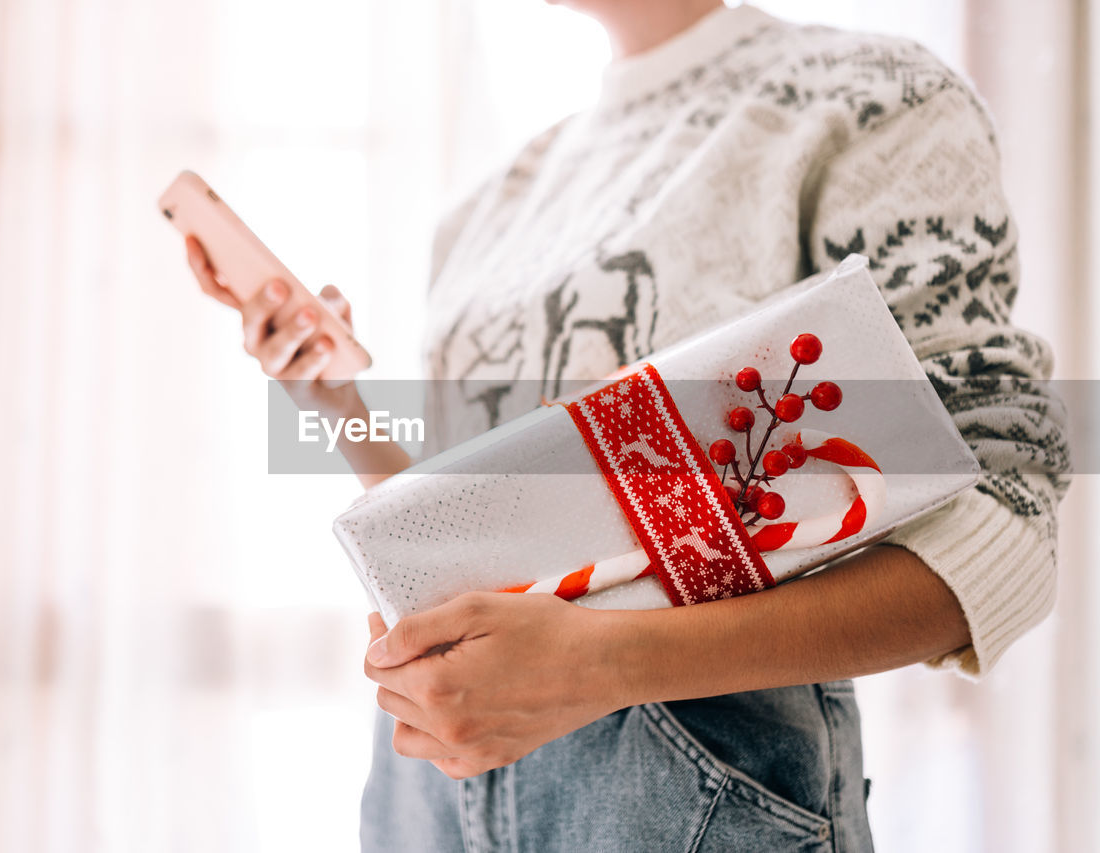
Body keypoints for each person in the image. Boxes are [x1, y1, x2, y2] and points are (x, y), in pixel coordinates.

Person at [186, 1, 1070, 849]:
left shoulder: (870, 97)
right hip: (431, 789)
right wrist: (336, 402)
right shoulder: (493, 204)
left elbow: (1002, 531)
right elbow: (474, 548)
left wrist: (603, 664)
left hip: (691, 787)